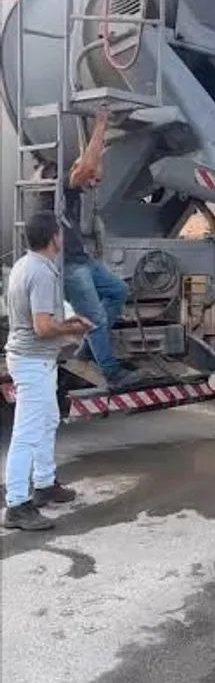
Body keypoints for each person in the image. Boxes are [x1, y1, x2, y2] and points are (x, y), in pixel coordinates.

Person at [3, 211, 94, 531]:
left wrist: (66, 326)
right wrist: (71, 328)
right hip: (33, 361)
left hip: (35, 359)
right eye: (61, 232)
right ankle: (16, 504)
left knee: (48, 421)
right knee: (27, 433)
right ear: (53, 237)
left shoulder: (25, 265)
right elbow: (42, 327)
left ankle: (43, 484)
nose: (63, 237)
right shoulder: (40, 272)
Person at [39, 109, 141, 391]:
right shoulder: (56, 189)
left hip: (81, 260)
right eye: (89, 178)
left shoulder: (67, 192)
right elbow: (85, 168)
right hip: (69, 266)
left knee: (118, 291)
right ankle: (111, 372)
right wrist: (101, 125)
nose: (92, 183)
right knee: (94, 317)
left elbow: (87, 167)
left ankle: (89, 347)